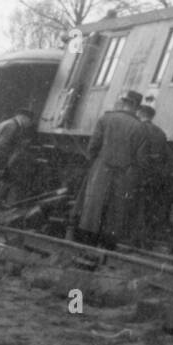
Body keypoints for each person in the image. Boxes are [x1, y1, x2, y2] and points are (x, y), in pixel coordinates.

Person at [74, 90, 149, 247]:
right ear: (137, 107)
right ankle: (106, 247)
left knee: (92, 208)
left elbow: (93, 147)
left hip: (100, 170)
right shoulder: (141, 128)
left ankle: (86, 244)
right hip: (124, 175)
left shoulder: (105, 119)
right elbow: (142, 161)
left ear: (123, 103)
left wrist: (95, 163)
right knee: (115, 212)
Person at [136, 95, 173, 246]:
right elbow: (167, 156)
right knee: (150, 208)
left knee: (137, 206)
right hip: (156, 175)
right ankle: (147, 238)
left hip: (140, 173)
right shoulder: (160, 132)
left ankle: (136, 238)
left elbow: (138, 153)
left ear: (140, 114)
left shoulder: (138, 128)